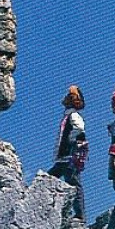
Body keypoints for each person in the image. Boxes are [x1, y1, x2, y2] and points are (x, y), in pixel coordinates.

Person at [49, 84, 88, 220]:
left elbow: (79, 129)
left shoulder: (73, 115)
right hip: (64, 157)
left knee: (73, 182)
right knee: (50, 179)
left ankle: (80, 215)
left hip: (69, 156)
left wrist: (71, 141)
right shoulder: (68, 116)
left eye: (68, 96)